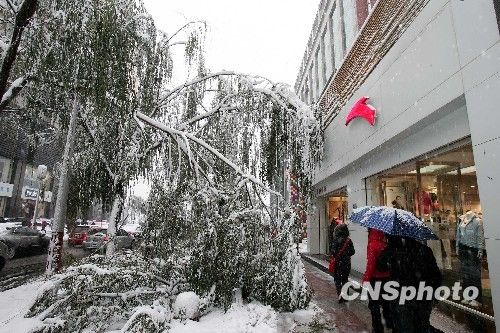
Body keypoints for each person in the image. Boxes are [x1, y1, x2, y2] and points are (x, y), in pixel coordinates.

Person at [377, 235, 441, 333]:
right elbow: (436, 275)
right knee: (421, 326)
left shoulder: (391, 251)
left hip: (401, 297)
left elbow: (380, 266)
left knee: (403, 327)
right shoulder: (424, 250)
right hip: (423, 297)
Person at [363, 229, 393, 333]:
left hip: (375, 279)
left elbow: (371, 265)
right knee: (386, 302)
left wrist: (366, 280)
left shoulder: (372, 245)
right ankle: (389, 323)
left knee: (374, 304)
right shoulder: (385, 244)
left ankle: (377, 327)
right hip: (387, 278)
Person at [330, 223, 355, 303]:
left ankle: (341, 295)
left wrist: (338, 254)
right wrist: (346, 254)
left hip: (338, 263)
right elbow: (352, 252)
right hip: (347, 263)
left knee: (337, 279)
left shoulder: (335, 240)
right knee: (345, 279)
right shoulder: (348, 240)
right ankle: (346, 296)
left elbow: (333, 252)